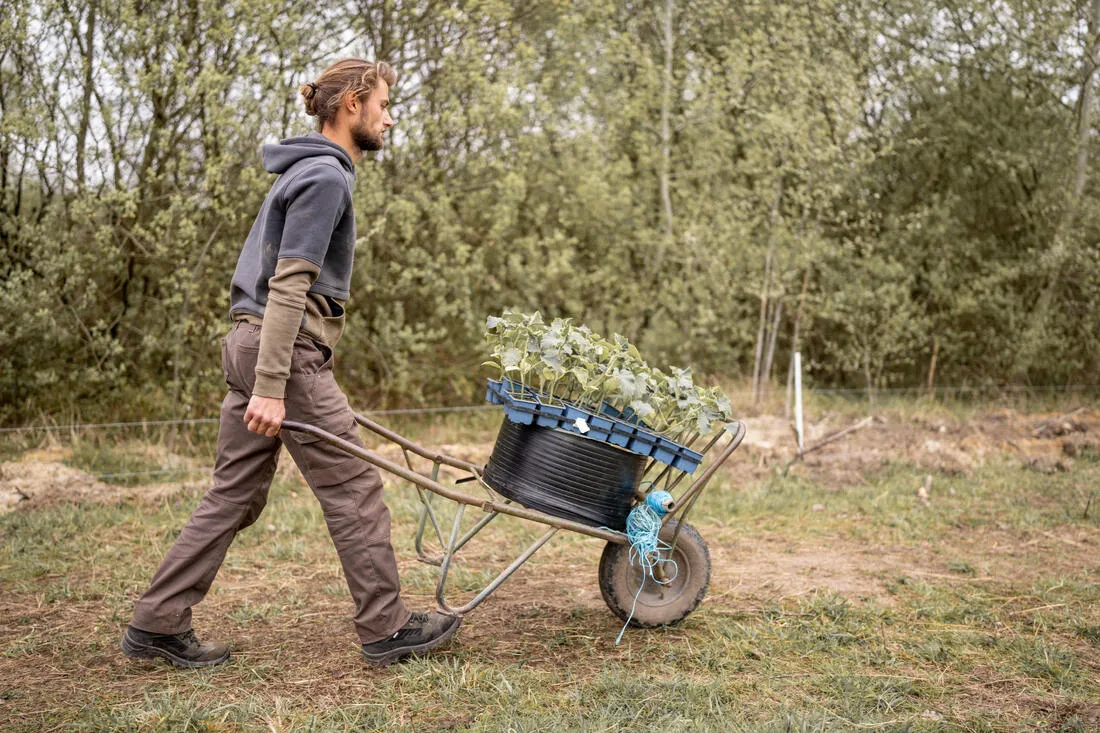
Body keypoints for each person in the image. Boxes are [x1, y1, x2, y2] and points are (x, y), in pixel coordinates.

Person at [120, 58, 460, 669]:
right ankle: (386, 628)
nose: (390, 116)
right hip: (282, 350)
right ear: (352, 104)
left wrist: (266, 375)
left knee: (235, 493)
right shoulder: (327, 177)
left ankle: (158, 621)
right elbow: (289, 286)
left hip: (249, 344)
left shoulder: (301, 169)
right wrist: (274, 385)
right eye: (383, 104)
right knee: (354, 487)